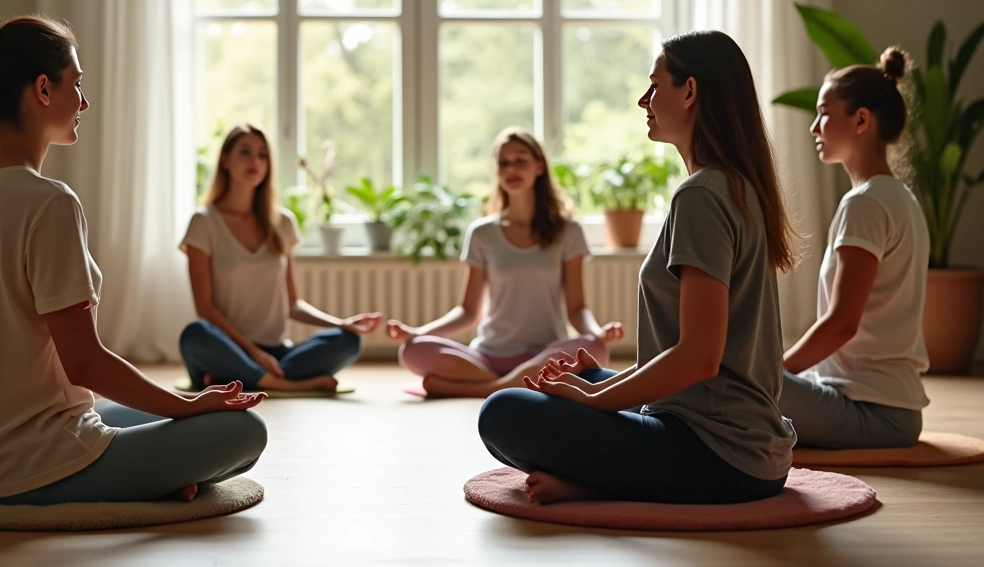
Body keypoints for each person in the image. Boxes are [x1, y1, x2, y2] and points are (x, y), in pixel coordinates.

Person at [0, 7, 267, 505]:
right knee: (244, 431)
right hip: (32, 463)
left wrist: (183, 407)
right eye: (77, 85)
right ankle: (147, 475)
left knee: (184, 413)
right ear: (43, 90)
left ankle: (151, 469)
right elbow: (84, 366)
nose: (85, 102)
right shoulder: (50, 203)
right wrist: (187, 408)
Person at [478, 31, 798, 505]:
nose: (643, 99)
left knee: (502, 412)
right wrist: (600, 384)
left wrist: (594, 401)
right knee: (582, 379)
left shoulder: (703, 197)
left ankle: (596, 485)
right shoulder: (734, 186)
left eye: (655, 86)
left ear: (689, 92)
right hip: (735, 440)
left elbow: (699, 357)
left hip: (721, 455)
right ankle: (603, 471)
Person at [387, 127, 623, 398]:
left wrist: (598, 332)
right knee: (413, 350)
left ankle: (489, 389)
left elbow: (577, 308)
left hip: (544, 356)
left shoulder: (568, 231)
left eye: (520, 160)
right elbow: (467, 311)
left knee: (595, 349)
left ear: (539, 166)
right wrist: (417, 332)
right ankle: (516, 384)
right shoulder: (482, 233)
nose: (511, 168)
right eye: (503, 162)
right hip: (487, 357)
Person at [780, 47, 929, 449]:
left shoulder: (864, 203)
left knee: (725, 380)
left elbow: (841, 323)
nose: (814, 126)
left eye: (824, 113)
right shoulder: (899, 197)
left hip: (871, 412)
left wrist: (769, 374)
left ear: (861, 119)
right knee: (727, 373)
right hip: (884, 407)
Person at [179, 123, 382, 392]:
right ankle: (282, 383)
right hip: (227, 348)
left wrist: (341, 323)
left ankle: (241, 380)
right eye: (245, 152)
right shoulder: (203, 222)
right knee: (195, 335)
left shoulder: (282, 222)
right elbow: (204, 308)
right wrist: (252, 353)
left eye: (263, 154)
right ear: (225, 160)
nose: (255, 161)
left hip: (277, 354)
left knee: (348, 341)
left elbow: (292, 304)